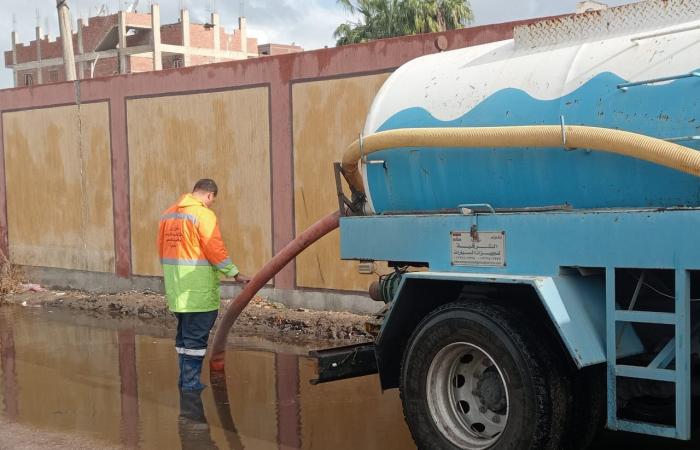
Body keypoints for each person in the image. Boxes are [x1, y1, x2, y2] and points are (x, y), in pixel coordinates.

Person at [157, 178, 249, 391]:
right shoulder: (203, 215)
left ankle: (184, 381)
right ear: (209, 195)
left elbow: (161, 250)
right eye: (212, 200)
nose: (211, 204)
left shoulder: (168, 214)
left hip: (177, 290)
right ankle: (190, 385)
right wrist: (234, 273)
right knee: (195, 340)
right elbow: (213, 247)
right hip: (197, 291)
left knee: (183, 338)